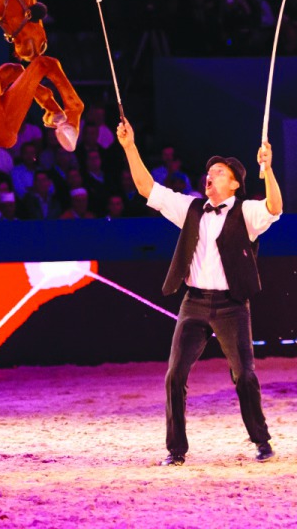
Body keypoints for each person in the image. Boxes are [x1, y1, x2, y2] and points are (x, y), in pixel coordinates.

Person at [117, 117, 281, 466]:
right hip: (193, 303)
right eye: (210, 171)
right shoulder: (191, 208)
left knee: (244, 375)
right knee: (174, 375)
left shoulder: (247, 212)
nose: (212, 175)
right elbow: (148, 189)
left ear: (235, 184)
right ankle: (176, 450)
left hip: (231, 306)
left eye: (220, 172)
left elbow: (275, 207)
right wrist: (130, 146)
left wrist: (268, 170)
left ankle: (261, 440)